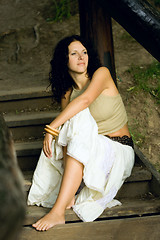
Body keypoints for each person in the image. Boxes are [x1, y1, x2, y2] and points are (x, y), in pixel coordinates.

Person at [27, 35, 135, 231]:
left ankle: (58, 211)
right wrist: (56, 131)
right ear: (64, 59)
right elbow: (70, 138)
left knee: (76, 117)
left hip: (118, 150)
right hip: (90, 153)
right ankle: (69, 194)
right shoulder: (67, 94)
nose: (81, 57)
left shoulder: (101, 74)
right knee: (69, 127)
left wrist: (51, 129)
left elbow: (85, 101)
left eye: (84, 52)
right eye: (74, 53)